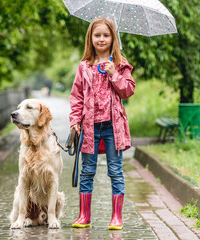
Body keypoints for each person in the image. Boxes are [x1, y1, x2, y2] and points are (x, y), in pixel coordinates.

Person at [69, 17, 135, 230]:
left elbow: (128, 91)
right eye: (97, 35)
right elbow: (77, 96)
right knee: (87, 171)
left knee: (115, 170)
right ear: (91, 38)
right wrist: (74, 121)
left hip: (112, 127)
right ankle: (83, 216)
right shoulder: (84, 67)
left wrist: (114, 74)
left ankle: (116, 217)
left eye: (106, 35)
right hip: (89, 127)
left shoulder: (121, 66)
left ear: (113, 38)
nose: (101, 39)